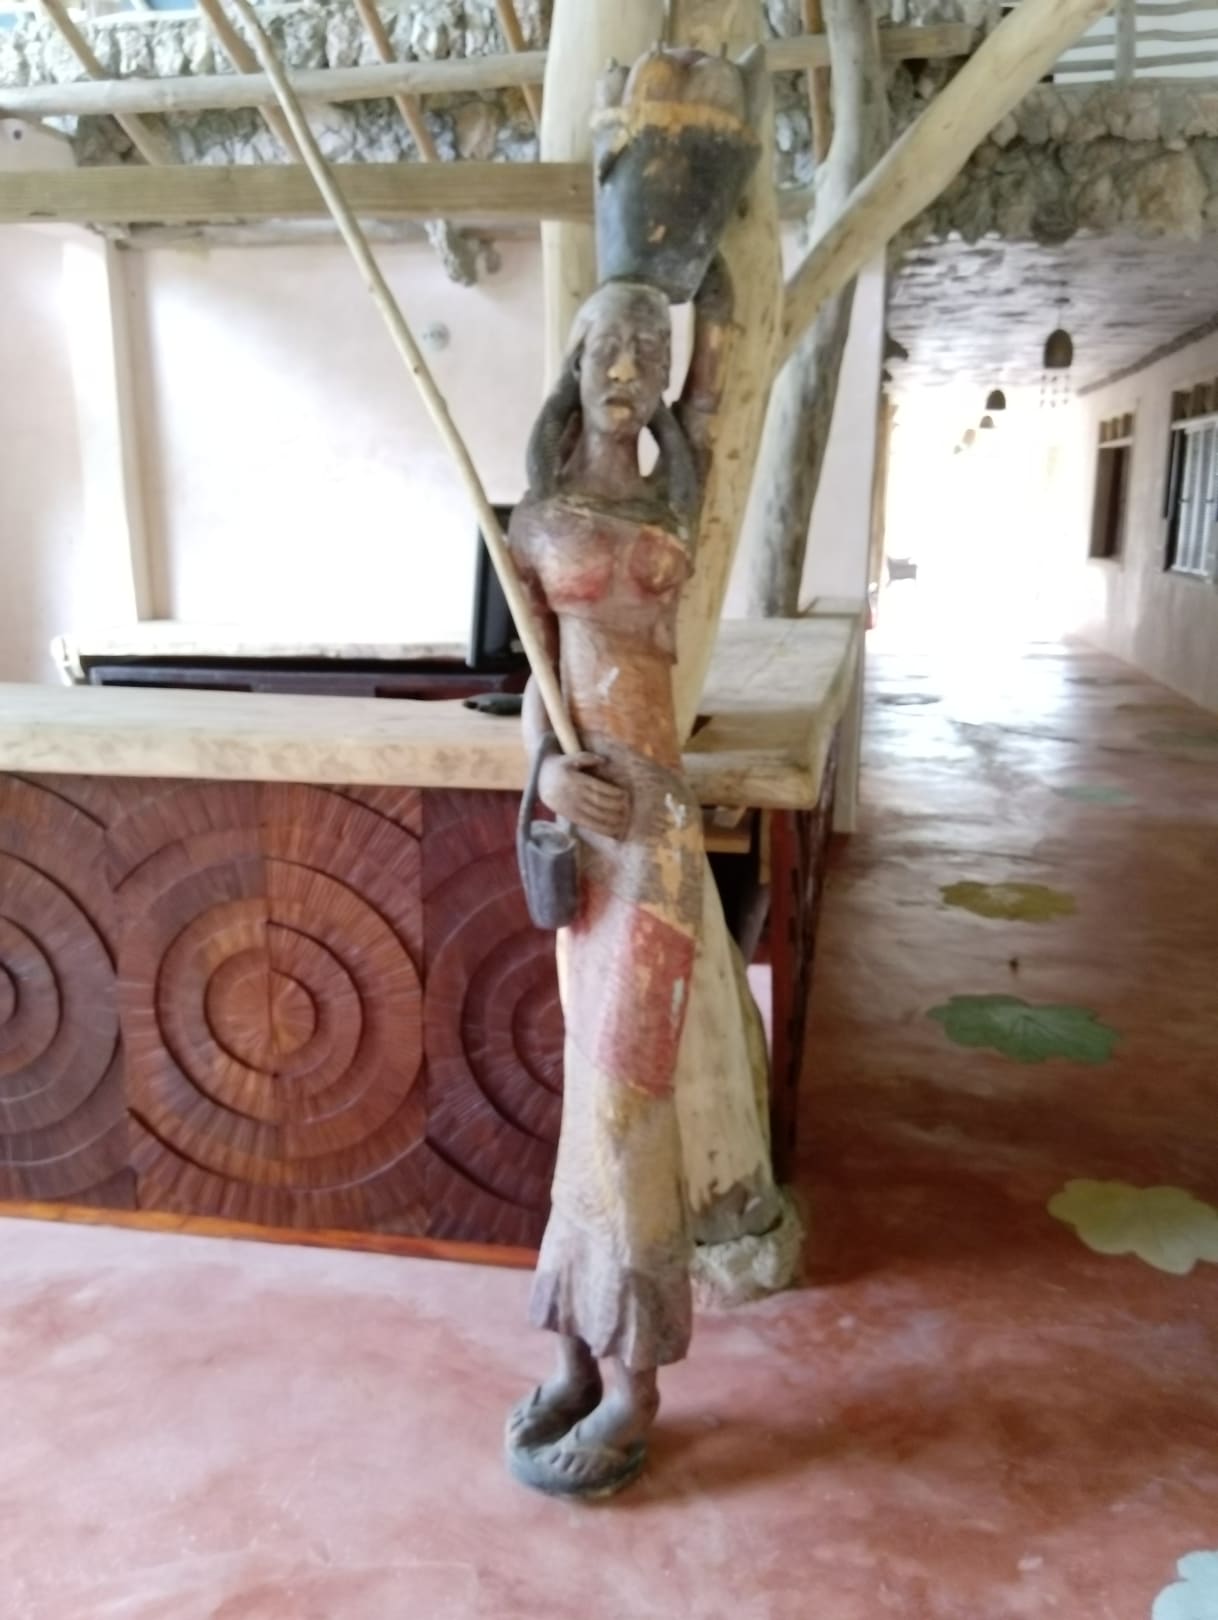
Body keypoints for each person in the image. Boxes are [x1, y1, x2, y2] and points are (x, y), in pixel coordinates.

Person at [505, 263, 732, 1497]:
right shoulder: (537, 520)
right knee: (586, 1107)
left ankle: (636, 1381)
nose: (630, 371)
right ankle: (574, 1352)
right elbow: (532, 692)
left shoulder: (674, 507)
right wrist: (547, 780)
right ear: (578, 364)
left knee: (628, 1103)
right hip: (587, 835)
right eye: (610, 348)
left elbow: (725, 354)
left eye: (652, 350)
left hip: (660, 836)